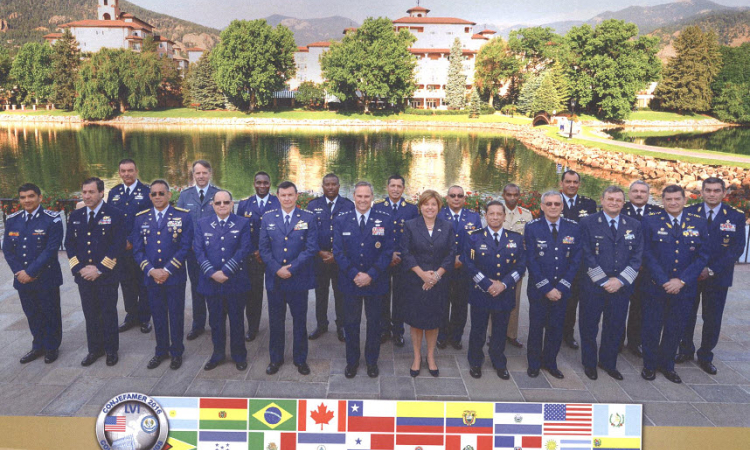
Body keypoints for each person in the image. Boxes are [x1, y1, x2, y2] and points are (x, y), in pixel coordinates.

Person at [641, 185, 710, 384]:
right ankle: (649, 365)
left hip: (684, 288)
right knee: (652, 327)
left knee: (675, 327)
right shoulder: (649, 221)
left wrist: (681, 280)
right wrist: (664, 280)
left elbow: (702, 255)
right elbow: (646, 253)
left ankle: (668, 365)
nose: (673, 203)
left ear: (684, 200)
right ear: (662, 201)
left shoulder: (698, 222)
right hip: (656, 285)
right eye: (669, 199)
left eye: (677, 199)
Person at [677, 177, 746, 375]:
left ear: (724, 193)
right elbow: (681, 243)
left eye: (717, 190)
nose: (712, 194)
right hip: (690, 275)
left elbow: (736, 249)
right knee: (686, 313)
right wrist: (693, 269)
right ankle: (685, 349)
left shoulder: (735, 216)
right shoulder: (689, 212)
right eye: (708, 190)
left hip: (718, 277)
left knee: (712, 318)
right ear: (702, 192)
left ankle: (706, 355)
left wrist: (711, 269)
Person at [579, 186, 643, 381]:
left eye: (618, 200)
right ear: (602, 200)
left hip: (621, 287)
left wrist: (621, 281)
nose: (614, 203)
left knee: (614, 326)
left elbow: (637, 256)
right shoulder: (588, 223)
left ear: (624, 203)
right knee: (589, 326)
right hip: (593, 285)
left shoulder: (634, 224)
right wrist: (604, 280)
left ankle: (608, 362)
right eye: (610, 199)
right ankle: (589, 363)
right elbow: (585, 254)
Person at [333, 181, 394, 378]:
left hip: (376, 282)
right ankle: (352, 362)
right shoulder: (342, 219)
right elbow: (338, 252)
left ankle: (371, 362)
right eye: (359, 196)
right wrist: (354, 274)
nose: (362, 200)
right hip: (350, 282)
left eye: (366, 196)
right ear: (353, 197)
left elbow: (387, 252)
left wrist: (371, 275)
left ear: (372, 198)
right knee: (350, 324)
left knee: (374, 324)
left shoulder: (384, 219)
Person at [131, 180, 193, 370]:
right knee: (157, 314)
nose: (157, 197)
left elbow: (185, 247)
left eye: (161, 193)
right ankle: (160, 351)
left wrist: (166, 270)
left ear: (169, 195)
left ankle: (176, 352)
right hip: (151, 277)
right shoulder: (141, 218)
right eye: (154, 194)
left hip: (173, 276)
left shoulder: (183, 216)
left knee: (175, 315)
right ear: (150, 196)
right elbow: (137, 250)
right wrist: (151, 270)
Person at [259, 181, 319, 376]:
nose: (287, 199)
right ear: (278, 196)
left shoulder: (308, 217)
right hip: (275, 279)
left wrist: (291, 268)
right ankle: (275, 359)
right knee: (276, 321)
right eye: (283, 195)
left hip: (298, 278)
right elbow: (264, 249)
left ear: (296, 196)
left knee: (299, 321)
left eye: (290, 195)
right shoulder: (268, 218)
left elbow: (311, 248)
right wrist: (277, 269)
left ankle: (300, 359)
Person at [66, 177, 126, 367]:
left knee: (108, 312)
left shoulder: (115, 214)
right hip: (84, 275)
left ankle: (111, 350)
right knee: (90, 313)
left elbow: (117, 245)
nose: (87, 196)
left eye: (91, 192)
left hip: (106, 274)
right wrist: (79, 268)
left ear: (101, 193)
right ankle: (94, 349)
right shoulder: (76, 216)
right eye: (84, 192)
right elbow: (69, 244)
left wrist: (99, 269)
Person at [463, 201, 525, 380]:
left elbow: (521, 266)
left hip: (504, 293)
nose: (495, 217)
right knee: (478, 329)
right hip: (481, 293)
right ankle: (475, 361)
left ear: (505, 216)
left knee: (500, 330)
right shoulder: (474, 237)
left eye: (499, 214)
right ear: (486, 216)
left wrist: (503, 284)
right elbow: (468, 264)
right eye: (492, 214)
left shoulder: (516, 238)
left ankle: (499, 361)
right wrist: (486, 283)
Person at [3, 183, 64, 364]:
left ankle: (52, 347)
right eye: (23, 197)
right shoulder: (13, 219)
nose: (27, 200)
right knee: (32, 313)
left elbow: (51, 250)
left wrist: (30, 272)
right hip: (22, 278)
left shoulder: (52, 219)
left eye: (30, 196)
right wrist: (19, 272)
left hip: (46, 277)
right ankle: (38, 345)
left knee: (50, 312)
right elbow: (7, 250)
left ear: (39, 197)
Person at [524, 191, 581, 379]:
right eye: (549, 204)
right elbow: (531, 260)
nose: (553, 207)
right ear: (542, 206)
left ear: (562, 206)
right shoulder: (532, 227)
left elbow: (576, 260)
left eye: (557, 204)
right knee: (536, 326)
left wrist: (562, 287)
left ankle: (550, 362)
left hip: (562, 290)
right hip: (539, 288)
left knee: (556, 327)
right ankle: (533, 363)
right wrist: (547, 288)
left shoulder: (573, 228)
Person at [194, 190, 253, 371]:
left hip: (235, 281)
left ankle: (239, 355)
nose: (222, 206)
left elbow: (244, 249)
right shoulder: (202, 223)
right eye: (218, 203)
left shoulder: (242, 223)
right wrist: (212, 273)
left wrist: (226, 271)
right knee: (216, 322)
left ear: (232, 204)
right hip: (211, 282)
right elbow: (198, 250)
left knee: (236, 321)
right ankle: (217, 354)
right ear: (212, 204)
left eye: (225, 202)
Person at [400, 190, 455, 377]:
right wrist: (422, 275)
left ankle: (430, 357)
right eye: (426, 204)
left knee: (433, 321)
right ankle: (416, 357)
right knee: (416, 321)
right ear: (420, 207)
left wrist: (436, 276)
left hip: (438, 282)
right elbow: (406, 253)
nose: (430, 208)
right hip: (416, 281)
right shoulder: (410, 225)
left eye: (433, 204)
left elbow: (450, 254)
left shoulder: (447, 226)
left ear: (439, 207)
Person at [307, 173, 354, 342]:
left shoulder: (348, 205)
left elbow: (352, 234)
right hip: (319, 257)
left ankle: (341, 325)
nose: (331, 187)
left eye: (334, 184)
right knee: (321, 293)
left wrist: (337, 255)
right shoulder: (313, 206)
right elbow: (309, 234)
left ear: (339, 186)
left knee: (340, 292)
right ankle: (321, 324)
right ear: (322, 186)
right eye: (327, 184)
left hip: (340, 259)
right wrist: (320, 252)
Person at [372, 175, 418, 347]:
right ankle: (384, 329)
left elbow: (412, 236)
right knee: (382, 295)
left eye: (399, 186)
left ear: (403, 188)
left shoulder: (412, 209)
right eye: (393, 186)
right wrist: (388, 254)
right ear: (387, 187)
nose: (396, 189)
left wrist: (401, 255)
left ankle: (398, 331)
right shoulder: (377, 207)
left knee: (400, 298)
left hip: (402, 260)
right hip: (383, 259)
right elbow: (376, 233)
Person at [108, 159, 153, 334]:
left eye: (130, 170)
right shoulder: (114, 193)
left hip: (141, 246)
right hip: (121, 249)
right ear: (119, 173)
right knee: (126, 283)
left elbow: (149, 220)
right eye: (123, 171)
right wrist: (120, 241)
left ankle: (144, 317)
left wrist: (133, 240)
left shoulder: (146, 192)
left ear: (136, 171)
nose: (127, 174)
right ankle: (131, 315)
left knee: (143, 283)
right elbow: (112, 220)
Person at [177, 160, 220, 341]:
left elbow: (224, 223)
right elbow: (180, 223)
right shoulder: (185, 196)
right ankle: (198, 324)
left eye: (204, 173)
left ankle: (217, 323)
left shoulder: (219, 194)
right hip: (193, 252)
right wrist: (190, 243)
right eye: (197, 173)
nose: (201, 176)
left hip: (214, 252)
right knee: (196, 287)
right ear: (193, 175)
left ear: (210, 174)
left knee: (215, 286)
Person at [236, 171, 280, 342]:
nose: (262, 186)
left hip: (272, 257)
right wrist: (253, 251)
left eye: (265, 183)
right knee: (253, 295)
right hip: (252, 257)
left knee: (274, 292)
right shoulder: (244, 204)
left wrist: (265, 251)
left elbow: (280, 232)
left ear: (270, 184)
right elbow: (241, 231)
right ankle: (252, 327)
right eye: (259, 183)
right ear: (254, 184)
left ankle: (276, 327)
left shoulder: (278, 202)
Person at [437, 185, 481, 350]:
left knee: (460, 304)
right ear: (447, 198)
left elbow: (475, 242)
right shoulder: (439, 215)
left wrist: (462, 258)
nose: (456, 198)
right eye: (453, 195)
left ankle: (456, 336)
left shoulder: (474, 217)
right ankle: (441, 336)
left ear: (464, 198)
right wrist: (449, 260)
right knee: (442, 302)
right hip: (443, 267)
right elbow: (435, 241)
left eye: (460, 196)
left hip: (464, 268)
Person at [560, 170, 598, 350]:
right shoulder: (553, 201)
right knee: (558, 299)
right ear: (562, 183)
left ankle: (568, 333)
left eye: (575, 182)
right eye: (568, 181)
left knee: (575, 300)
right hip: (558, 260)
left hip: (581, 261)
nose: (572, 185)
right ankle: (555, 332)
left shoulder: (589, 204)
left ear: (579, 184)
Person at [621, 180, 659, 357]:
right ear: (629, 193)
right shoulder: (619, 210)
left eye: (643, 192)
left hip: (646, 271)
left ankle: (635, 342)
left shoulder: (657, 213)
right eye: (635, 191)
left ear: (648, 195)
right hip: (622, 269)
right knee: (619, 307)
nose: (638, 194)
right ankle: (617, 340)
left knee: (640, 308)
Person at [501, 183, 534, 349]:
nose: (512, 198)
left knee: (514, 301)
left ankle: (511, 334)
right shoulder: (496, 211)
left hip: (516, 266)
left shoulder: (526, 215)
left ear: (519, 196)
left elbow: (529, 240)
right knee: (496, 298)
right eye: (509, 194)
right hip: (497, 264)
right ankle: (494, 333)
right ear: (503, 195)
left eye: (515, 195)